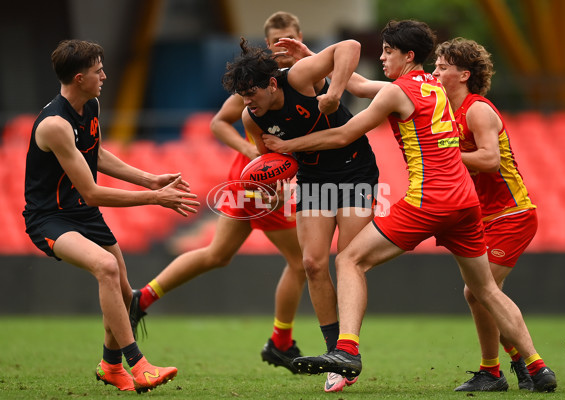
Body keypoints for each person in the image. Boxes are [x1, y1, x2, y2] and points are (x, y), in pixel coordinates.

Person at [263, 20, 557, 393]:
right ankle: (537, 366)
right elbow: (359, 84)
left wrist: (288, 147)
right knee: (486, 289)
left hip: (429, 199)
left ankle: (347, 351)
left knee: (349, 260)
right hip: (465, 201)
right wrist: (312, 57)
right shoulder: (437, 86)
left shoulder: (396, 92)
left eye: (388, 51)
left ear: (408, 55)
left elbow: (342, 134)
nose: (382, 57)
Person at [129, 11, 307, 376]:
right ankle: (282, 342)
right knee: (304, 262)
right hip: (262, 180)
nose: (283, 47)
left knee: (217, 255)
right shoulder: (264, 82)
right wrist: (253, 154)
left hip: (257, 179)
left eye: (288, 38)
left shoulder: (304, 75)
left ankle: (140, 298)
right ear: (268, 43)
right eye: (276, 41)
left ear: (300, 36)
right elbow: (217, 122)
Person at [22, 39, 200, 393]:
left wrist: (151, 177)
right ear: (78, 78)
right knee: (106, 267)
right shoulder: (54, 125)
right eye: (97, 70)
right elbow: (92, 191)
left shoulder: (91, 106)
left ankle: (110, 365)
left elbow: (97, 155)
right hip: (49, 218)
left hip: (81, 212)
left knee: (124, 294)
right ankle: (140, 365)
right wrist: (155, 197)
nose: (104, 75)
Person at [221, 34, 379, 392]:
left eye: (253, 95)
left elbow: (350, 47)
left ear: (273, 84)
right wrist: (276, 192)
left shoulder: (298, 77)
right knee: (312, 264)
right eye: (244, 98)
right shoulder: (251, 118)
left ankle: (347, 346)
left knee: (348, 260)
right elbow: (277, 162)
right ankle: (334, 355)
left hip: (355, 171)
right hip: (312, 179)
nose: (249, 104)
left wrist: (335, 93)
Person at [431, 38, 537, 392]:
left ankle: (517, 367)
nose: (435, 72)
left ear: (463, 75)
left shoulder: (477, 110)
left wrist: (447, 156)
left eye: (442, 67)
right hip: (480, 218)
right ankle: (506, 368)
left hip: (512, 214)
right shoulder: (444, 113)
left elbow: (490, 160)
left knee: (479, 292)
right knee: (479, 293)